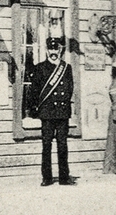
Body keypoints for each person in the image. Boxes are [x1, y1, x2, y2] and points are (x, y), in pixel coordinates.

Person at [24, 36, 77, 186]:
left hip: (62, 112)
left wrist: (64, 104)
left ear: (60, 50)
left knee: (62, 145)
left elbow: (69, 88)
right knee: (46, 145)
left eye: (56, 49)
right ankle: (47, 178)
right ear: (47, 50)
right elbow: (34, 91)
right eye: (51, 49)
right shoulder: (40, 68)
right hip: (47, 113)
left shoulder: (66, 68)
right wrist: (34, 109)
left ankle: (64, 177)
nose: (53, 52)